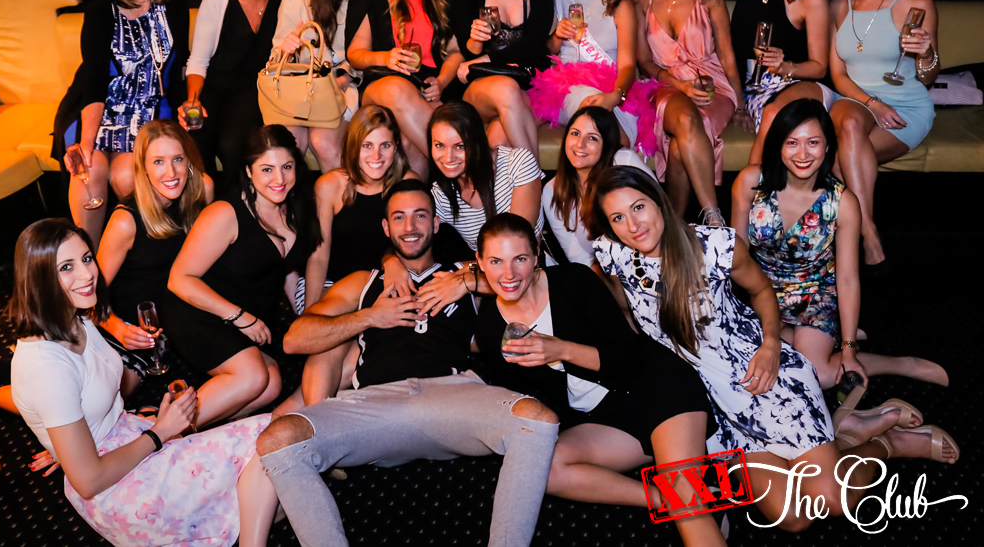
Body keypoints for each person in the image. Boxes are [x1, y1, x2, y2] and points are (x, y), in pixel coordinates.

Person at [591, 166, 959, 531]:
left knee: (831, 500)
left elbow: (761, 290)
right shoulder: (612, 253)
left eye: (638, 207)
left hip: (763, 376)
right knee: (795, 518)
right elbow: (620, 305)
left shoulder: (714, 245)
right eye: (618, 217)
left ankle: (888, 444)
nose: (633, 225)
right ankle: (846, 433)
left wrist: (770, 345)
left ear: (658, 201)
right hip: (715, 409)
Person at [257, 180, 560, 547]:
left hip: (452, 395)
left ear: (436, 223)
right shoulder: (364, 281)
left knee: (536, 420)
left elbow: (526, 278)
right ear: (386, 228)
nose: (410, 226)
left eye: (420, 215)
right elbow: (294, 339)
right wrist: (371, 316)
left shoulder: (464, 273)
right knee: (278, 438)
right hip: (373, 404)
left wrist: (465, 281)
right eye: (399, 218)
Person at [8, 218, 277, 547]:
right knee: (273, 443)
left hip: (130, 437)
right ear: (37, 279)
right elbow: (89, 481)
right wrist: (159, 432)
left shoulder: (78, 318)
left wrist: (69, 439)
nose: (87, 274)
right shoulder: (46, 367)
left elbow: (78, 400)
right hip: (116, 490)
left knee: (276, 478)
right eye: (66, 267)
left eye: (86, 258)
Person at [473, 213, 725, 546]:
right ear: (479, 262)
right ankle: (664, 499)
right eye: (496, 261)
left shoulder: (573, 280)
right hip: (603, 420)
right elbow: (524, 395)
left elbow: (628, 358)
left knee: (688, 508)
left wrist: (560, 349)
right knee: (541, 468)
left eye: (519, 258)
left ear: (536, 256)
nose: (508, 274)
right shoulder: (490, 327)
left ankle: (686, 498)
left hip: (657, 388)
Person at [731, 99, 948, 389]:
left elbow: (846, 279)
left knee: (817, 376)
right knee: (750, 366)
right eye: (792, 143)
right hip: (759, 292)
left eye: (813, 142)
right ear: (778, 145)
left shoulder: (843, 202)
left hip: (815, 294)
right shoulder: (750, 181)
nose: (803, 154)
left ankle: (900, 363)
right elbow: (736, 252)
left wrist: (848, 350)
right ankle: (808, 337)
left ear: (827, 147)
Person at [162, 124, 321, 426]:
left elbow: (285, 273)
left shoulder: (296, 208)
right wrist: (239, 317)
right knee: (254, 377)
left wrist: (308, 317)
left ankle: (189, 434)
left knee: (271, 385)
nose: (279, 179)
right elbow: (179, 279)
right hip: (200, 311)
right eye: (267, 169)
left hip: (249, 318)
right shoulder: (226, 213)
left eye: (287, 167)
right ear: (249, 171)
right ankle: (158, 432)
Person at [56, 0, 189, 248]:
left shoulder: (174, 3)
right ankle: (89, 259)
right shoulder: (101, 10)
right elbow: (94, 82)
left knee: (126, 175)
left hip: (148, 112)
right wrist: (86, 145)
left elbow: (180, 65)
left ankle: (137, 259)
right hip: (99, 112)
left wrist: (186, 106)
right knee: (90, 173)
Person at [829, 0, 939, 270]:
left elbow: (928, 78)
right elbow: (838, 76)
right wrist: (872, 103)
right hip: (855, 100)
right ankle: (869, 233)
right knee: (849, 122)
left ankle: (851, 241)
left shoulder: (915, 2)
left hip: (906, 105)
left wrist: (927, 55)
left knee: (839, 164)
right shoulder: (838, 7)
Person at [287, 105, 417, 408]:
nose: (376, 155)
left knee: (357, 356)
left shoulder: (406, 183)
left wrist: (391, 261)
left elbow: (411, 244)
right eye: (367, 146)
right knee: (333, 342)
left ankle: (294, 414)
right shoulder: (331, 185)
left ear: (396, 146)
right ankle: (314, 418)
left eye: (385, 145)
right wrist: (312, 313)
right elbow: (319, 255)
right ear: (353, 146)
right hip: (328, 285)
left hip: (376, 290)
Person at [634, 0, 744, 226]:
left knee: (681, 147)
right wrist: (679, 85)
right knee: (684, 118)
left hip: (711, 83)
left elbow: (727, 54)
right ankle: (713, 216)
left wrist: (741, 104)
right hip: (664, 83)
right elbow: (645, 61)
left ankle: (675, 226)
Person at [96, 120, 214, 396]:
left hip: (177, 317)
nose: (171, 172)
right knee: (105, 397)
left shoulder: (202, 191)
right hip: (128, 326)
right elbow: (90, 295)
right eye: (158, 162)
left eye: (178, 159)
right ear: (143, 168)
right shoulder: (125, 221)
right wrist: (119, 329)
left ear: (189, 160)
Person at [346, 0, 463, 177]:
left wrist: (441, 82)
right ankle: (463, 176)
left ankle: (424, 198)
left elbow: (456, 52)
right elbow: (354, 55)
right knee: (398, 89)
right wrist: (386, 57)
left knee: (410, 143)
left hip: (427, 86)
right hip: (383, 83)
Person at [530, 0, 657, 154]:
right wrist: (558, 36)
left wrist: (614, 97)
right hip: (563, 90)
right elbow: (548, 51)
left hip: (611, 90)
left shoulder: (622, 4)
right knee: (504, 126)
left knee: (606, 131)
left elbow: (628, 66)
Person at [720, 0, 834, 165]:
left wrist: (785, 66)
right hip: (752, 87)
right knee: (776, 121)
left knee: (781, 119)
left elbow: (819, 67)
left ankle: (756, 185)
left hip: (796, 83)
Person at [182, 0, 289, 182]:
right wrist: (193, 100)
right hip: (211, 85)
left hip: (253, 90)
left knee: (233, 145)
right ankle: (203, 202)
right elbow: (198, 61)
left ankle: (238, 203)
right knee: (195, 136)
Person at [273, 0, 374, 170]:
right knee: (289, 143)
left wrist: (343, 80)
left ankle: (341, 195)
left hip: (343, 90)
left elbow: (366, 58)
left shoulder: (368, 2)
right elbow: (275, 62)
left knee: (323, 142)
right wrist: (287, 50)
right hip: (300, 90)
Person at [454, 0, 554, 157]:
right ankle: (535, 177)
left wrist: (486, 57)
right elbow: (468, 53)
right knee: (507, 89)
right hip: (482, 88)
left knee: (498, 139)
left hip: (531, 84)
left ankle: (504, 183)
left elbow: (534, 47)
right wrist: (475, 41)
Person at [543, 106, 652, 270]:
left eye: (592, 138)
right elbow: (579, 258)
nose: (580, 144)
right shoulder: (552, 191)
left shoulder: (624, 161)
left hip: (650, 261)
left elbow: (660, 216)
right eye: (575, 134)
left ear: (606, 145)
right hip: (604, 274)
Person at [428, 101, 543, 252]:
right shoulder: (440, 194)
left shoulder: (517, 164)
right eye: (439, 145)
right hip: (483, 266)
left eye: (460, 146)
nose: (448, 158)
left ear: (478, 142)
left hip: (528, 265)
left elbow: (516, 242)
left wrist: (474, 267)